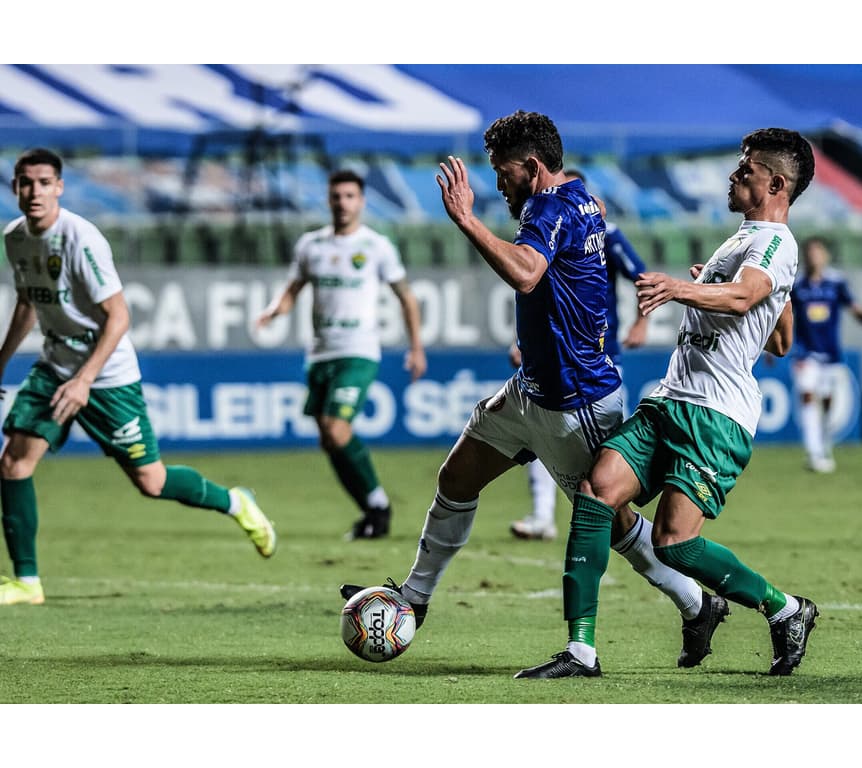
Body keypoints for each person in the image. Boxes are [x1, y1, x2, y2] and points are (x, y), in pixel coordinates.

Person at [341, 111, 713, 666]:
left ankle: (694, 602)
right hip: (531, 389)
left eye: (503, 171)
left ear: (534, 167)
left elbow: (526, 273)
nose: (498, 184)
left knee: (610, 522)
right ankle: (414, 599)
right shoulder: (580, 194)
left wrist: (467, 221)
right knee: (457, 477)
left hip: (575, 400)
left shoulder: (547, 205)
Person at [517, 127, 820, 679]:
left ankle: (786, 609)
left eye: (746, 169)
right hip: (671, 398)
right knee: (595, 492)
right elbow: (777, 338)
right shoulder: (742, 242)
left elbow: (747, 296)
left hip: (716, 415)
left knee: (675, 543)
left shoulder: (774, 243)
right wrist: (761, 291)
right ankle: (580, 649)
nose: (734, 175)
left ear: (776, 183)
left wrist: (686, 289)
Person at [0, 148, 277, 606]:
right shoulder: (15, 238)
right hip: (54, 368)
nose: (34, 192)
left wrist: (85, 380)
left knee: (151, 481)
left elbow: (118, 317)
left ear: (59, 187)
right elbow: (29, 304)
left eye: (44, 182)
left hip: (107, 375)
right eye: (25, 183)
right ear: (14, 187)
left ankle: (236, 503)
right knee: (13, 463)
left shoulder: (80, 239)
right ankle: (27, 581)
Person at [256, 169, 426, 540]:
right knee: (328, 439)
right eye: (336, 196)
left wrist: (416, 347)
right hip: (320, 354)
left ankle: (379, 505)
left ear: (361, 201)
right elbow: (292, 289)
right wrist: (274, 310)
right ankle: (371, 509)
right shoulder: (311, 246)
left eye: (350, 196)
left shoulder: (376, 246)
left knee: (337, 428)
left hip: (358, 351)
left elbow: (406, 296)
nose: (342, 203)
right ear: (329, 200)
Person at [509, 168, 649, 542]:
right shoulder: (544, 230)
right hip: (553, 359)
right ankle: (542, 516)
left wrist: (641, 323)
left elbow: (642, 276)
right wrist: (520, 342)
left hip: (600, 358)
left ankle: (623, 529)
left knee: (604, 461)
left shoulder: (607, 233)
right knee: (539, 438)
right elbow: (540, 296)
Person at [790, 236, 862, 473]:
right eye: (810, 253)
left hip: (831, 353)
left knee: (828, 403)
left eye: (818, 252)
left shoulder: (836, 283)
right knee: (808, 396)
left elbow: (854, 307)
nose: (814, 257)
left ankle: (824, 444)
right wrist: (771, 344)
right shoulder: (797, 286)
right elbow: (783, 316)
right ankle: (813, 452)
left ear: (825, 256)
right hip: (805, 352)